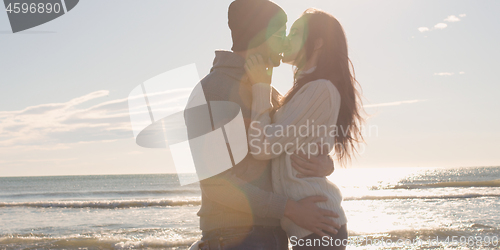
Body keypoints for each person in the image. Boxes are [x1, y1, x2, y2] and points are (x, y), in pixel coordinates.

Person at [185, 1, 342, 249]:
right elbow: (215, 182)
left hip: (275, 234)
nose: (285, 44)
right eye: (281, 35)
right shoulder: (210, 91)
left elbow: (288, 145)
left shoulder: (269, 92)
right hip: (234, 236)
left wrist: (325, 163)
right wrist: (290, 208)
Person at [244, 8, 365, 250]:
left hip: (318, 228)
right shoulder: (305, 91)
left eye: (296, 32)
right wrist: (327, 164)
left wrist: (259, 87)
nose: (287, 38)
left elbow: (262, 147)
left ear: (317, 43)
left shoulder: (319, 90)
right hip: (311, 228)